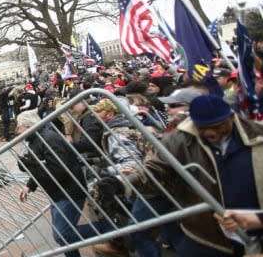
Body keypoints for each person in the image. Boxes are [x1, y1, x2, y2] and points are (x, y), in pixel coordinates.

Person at [98, 94, 263, 256]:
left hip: (256, 229)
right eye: (203, 128)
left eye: (218, 126)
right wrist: (122, 183)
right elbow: (156, 169)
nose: (212, 133)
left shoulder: (257, 136)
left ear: (231, 117)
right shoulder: (181, 139)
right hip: (206, 234)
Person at [17, 110, 111, 257]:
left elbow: (58, 171)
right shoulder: (37, 140)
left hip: (68, 192)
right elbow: (43, 166)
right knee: (66, 235)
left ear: (28, 126)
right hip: (59, 193)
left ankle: (109, 228)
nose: (18, 131)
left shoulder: (48, 139)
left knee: (63, 235)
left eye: (19, 127)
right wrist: (30, 185)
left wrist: (30, 166)